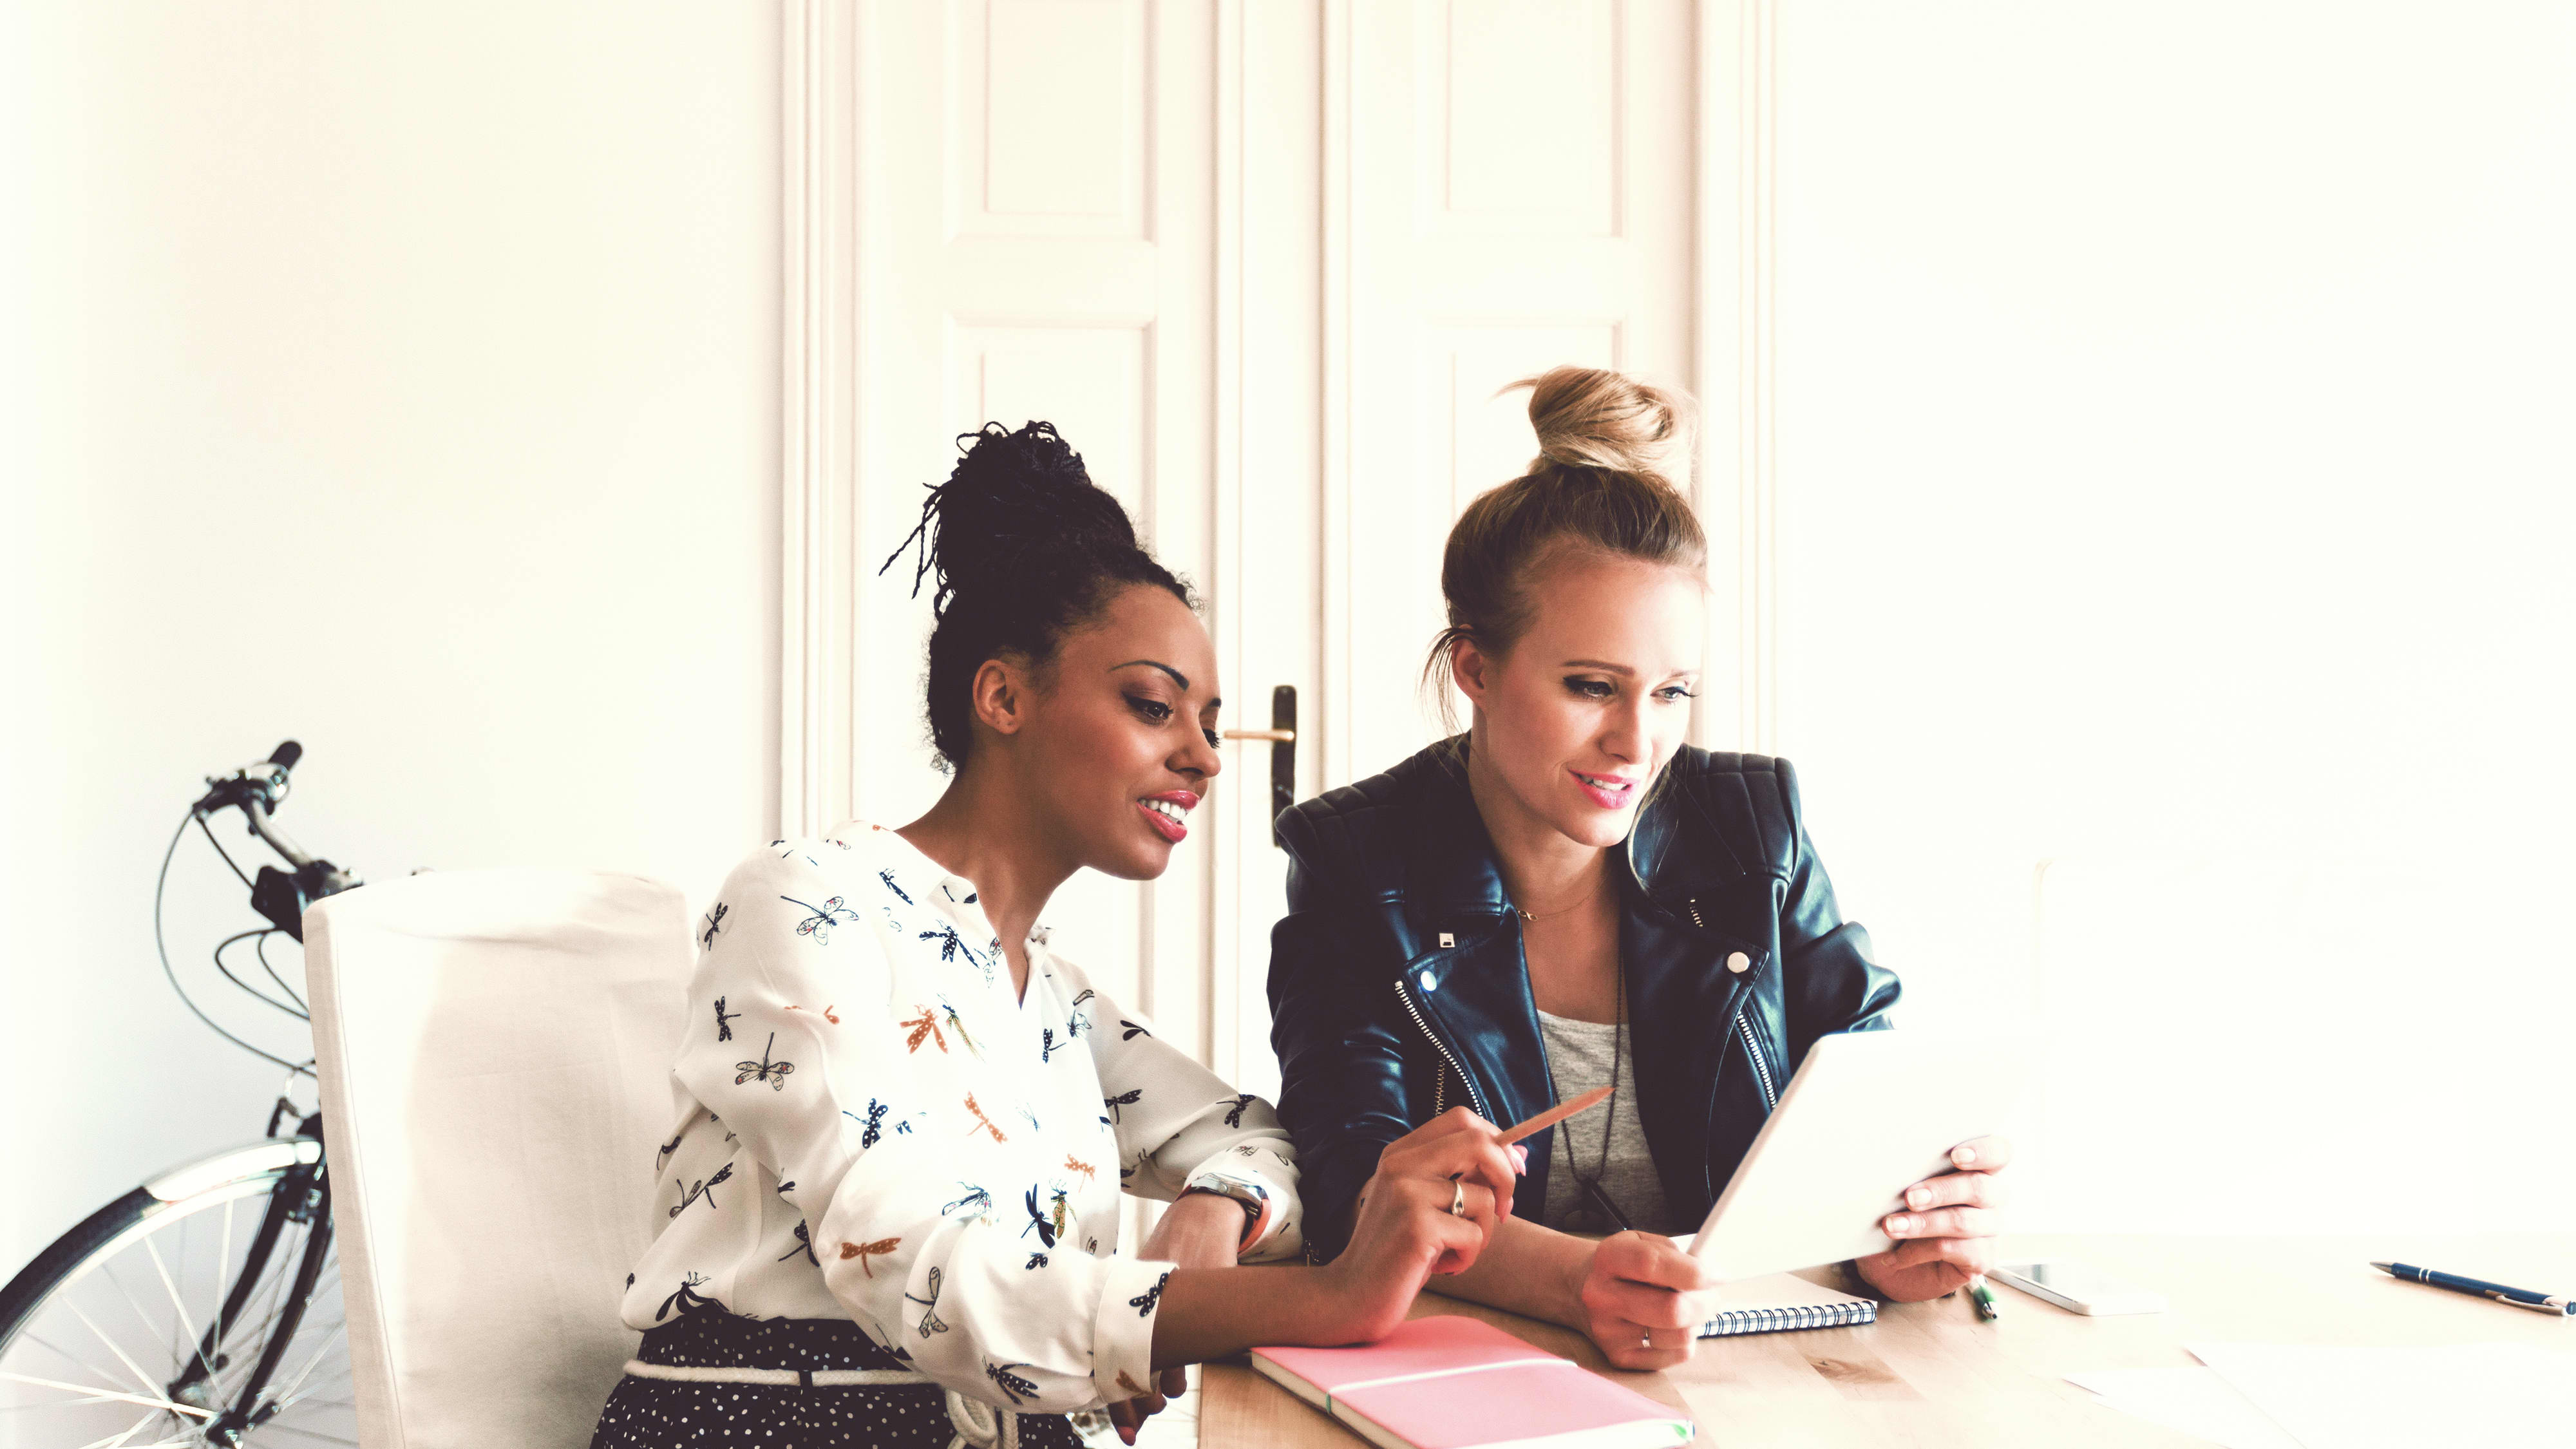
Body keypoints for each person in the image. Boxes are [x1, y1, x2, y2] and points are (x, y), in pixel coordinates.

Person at [592, 422, 1513, 1449]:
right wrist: (1333, 1298)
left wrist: (1218, 1206)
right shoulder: (808, 905)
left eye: (1210, 722)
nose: (1204, 758)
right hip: (773, 1420)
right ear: (1004, 695)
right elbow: (918, 1268)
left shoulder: (1056, 1002)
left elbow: (1261, 1136)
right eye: (1155, 705)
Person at [1265, 368, 2012, 1371]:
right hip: (1466, 1379)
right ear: (1475, 669)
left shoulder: (1753, 827)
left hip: (1743, 1376)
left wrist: (1902, 1233)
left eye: (1672, 692)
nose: (1636, 740)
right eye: (1591, 687)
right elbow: (1357, 1183)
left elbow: (1869, 1091)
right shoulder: (1355, 859)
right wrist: (1574, 1281)